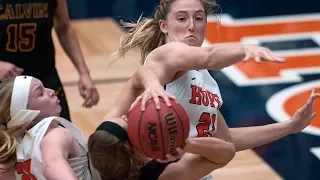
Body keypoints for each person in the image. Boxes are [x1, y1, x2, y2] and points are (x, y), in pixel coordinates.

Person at [108, 0, 320, 179]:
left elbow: (225, 140)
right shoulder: (167, 55)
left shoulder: (205, 80)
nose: (191, 26)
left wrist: (289, 127)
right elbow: (209, 56)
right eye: (182, 19)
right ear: (164, 26)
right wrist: (244, 49)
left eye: (199, 18)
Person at [88, 67, 236, 180]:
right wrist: (184, 144)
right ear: (133, 146)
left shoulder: (105, 151)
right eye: (127, 123)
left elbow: (141, 73)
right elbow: (227, 153)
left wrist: (153, 85)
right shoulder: (164, 174)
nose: (126, 117)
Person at [0, 0, 99, 121]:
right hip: (4, 82)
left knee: (62, 133)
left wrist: (84, 73)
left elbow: (64, 28)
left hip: (44, 76)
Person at [0, 76, 100, 180]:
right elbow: (51, 165)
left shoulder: (8, 149)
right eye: (41, 93)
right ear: (24, 112)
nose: (51, 92)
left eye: (45, 87)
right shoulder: (55, 134)